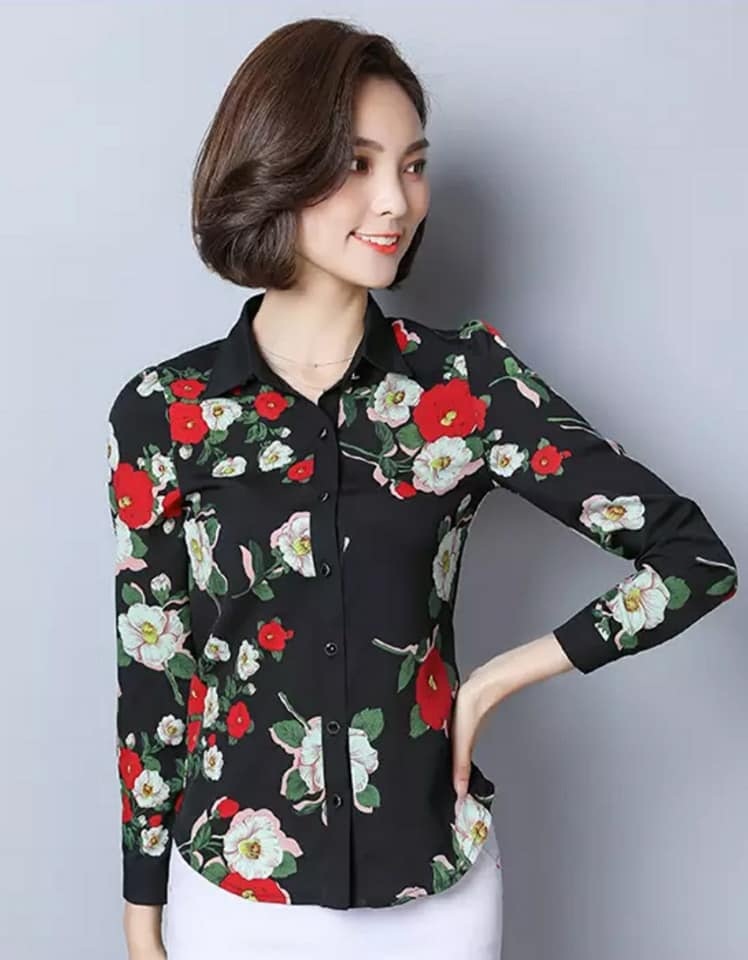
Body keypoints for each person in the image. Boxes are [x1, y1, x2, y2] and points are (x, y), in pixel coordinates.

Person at [105, 17, 738, 960]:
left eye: (412, 165)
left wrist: (495, 681)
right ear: (278, 166)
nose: (394, 200)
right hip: (235, 900)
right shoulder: (166, 412)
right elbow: (156, 669)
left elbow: (694, 560)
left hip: (436, 895)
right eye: (356, 163)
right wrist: (141, 910)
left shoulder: (465, 386)